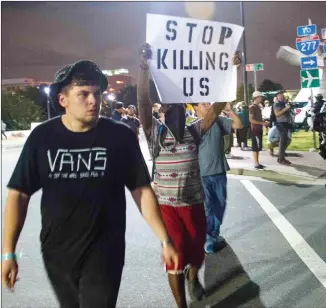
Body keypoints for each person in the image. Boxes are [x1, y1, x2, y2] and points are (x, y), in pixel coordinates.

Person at [1, 60, 178, 307]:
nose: (94, 101)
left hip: (105, 251)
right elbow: (18, 195)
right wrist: (8, 253)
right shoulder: (42, 138)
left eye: (97, 93)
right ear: (63, 99)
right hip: (56, 253)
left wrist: (165, 239)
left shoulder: (120, 136)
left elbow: (141, 191)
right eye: (83, 94)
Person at [137, 43, 241, 308]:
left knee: (197, 253)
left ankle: (193, 277)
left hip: (195, 203)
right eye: (170, 107)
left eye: (180, 107)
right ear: (162, 112)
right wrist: (143, 69)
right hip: (167, 207)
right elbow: (142, 102)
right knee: (176, 255)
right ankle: (181, 305)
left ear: (186, 112)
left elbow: (217, 106)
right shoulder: (155, 135)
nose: (175, 111)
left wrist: (231, 70)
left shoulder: (194, 132)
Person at [191, 102, 242, 254]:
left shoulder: (219, 121)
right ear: (195, 108)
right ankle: (209, 239)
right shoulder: (193, 126)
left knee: (219, 205)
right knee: (207, 208)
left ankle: (213, 233)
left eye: (209, 103)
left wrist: (230, 111)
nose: (207, 106)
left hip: (219, 171)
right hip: (200, 174)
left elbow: (238, 125)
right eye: (203, 104)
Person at [249, 91, 268, 169]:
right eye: (260, 97)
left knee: (258, 147)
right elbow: (251, 120)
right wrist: (262, 123)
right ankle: (256, 164)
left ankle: (257, 163)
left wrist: (263, 121)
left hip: (258, 129)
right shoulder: (252, 107)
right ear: (256, 98)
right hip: (255, 130)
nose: (261, 98)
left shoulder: (257, 106)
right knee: (255, 147)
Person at [273, 90, 292, 165]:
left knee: (285, 141)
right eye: (280, 95)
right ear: (277, 96)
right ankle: (281, 158)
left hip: (286, 123)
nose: (282, 96)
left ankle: (281, 157)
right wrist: (286, 108)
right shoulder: (276, 104)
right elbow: (277, 114)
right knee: (283, 141)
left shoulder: (283, 103)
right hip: (281, 124)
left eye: (282, 95)